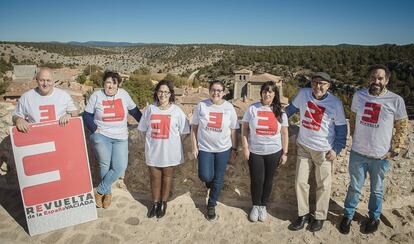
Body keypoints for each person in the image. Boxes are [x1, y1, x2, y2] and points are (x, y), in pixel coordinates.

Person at [339, 65, 408, 234]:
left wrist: (395, 149)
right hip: (358, 153)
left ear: (387, 80)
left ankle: (374, 217)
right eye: (373, 77)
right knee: (354, 187)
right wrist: (356, 139)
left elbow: (402, 126)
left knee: (377, 190)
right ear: (368, 78)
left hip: (380, 156)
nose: (376, 81)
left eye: (380, 78)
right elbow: (353, 120)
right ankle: (348, 215)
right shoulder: (358, 95)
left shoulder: (395, 100)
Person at [286, 72, 347, 232]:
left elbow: (342, 129)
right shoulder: (303, 94)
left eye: (322, 84)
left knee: (323, 185)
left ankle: (320, 217)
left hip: (324, 151)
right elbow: (289, 111)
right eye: (314, 82)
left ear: (328, 86)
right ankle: (303, 215)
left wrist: (336, 149)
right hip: (304, 147)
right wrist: (275, 121)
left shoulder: (335, 103)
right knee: (300, 182)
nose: (317, 86)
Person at [83, 71, 142, 209]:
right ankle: (108, 194)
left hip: (121, 137)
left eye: (114, 83)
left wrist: (146, 124)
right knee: (105, 164)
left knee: (120, 166)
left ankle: (100, 191)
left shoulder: (124, 94)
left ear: (118, 84)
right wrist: (94, 129)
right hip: (101, 135)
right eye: (108, 82)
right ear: (103, 83)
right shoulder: (96, 96)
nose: (111, 86)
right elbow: (87, 115)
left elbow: (135, 112)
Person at [138, 80, 190, 219]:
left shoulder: (177, 111)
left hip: (170, 151)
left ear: (170, 94)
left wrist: (174, 143)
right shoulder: (150, 109)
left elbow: (185, 131)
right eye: (160, 91)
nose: (163, 94)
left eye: (166, 92)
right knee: (154, 178)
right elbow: (142, 129)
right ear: (156, 92)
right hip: (153, 150)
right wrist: (151, 143)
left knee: (167, 178)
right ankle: (155, 203)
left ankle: (163, 204)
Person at [191, 80, 239, 221]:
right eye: (213, 89)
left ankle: (211, 204)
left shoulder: (229, 108)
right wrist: (194, 146)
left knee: (218, 179)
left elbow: (234, 130)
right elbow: (194, 127)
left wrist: (234, 148)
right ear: (209, 90)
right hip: (205, 148)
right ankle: (209, 184)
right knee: (205, 176)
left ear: (223, 92)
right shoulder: (201, 106)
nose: (216, 92)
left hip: (223, 149)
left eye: (219, 90)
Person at [241, 81, 288, 222]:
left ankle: (263, 206)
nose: (267, 94)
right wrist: (245, 148)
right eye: (265, 91)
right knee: (257, 180)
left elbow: (285, 133)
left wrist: (285, 153)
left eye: (270, 92)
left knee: (268, 180)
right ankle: (255, 205)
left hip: (274, 151)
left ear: (275, 94)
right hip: (255, 151)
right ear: (261, 93)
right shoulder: (252, 109)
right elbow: (244, 129)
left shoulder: (280, 111)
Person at [13, 67, 78, 132]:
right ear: (37, 80)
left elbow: (75, 112)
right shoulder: (26, 97)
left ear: (53, 80)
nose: (45, 84)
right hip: (37, 137)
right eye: (42, 80)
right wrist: (19, 120)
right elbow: (15, 116)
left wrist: (69, 115)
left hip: (60, 136)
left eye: (48, 80)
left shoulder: (64, 95)